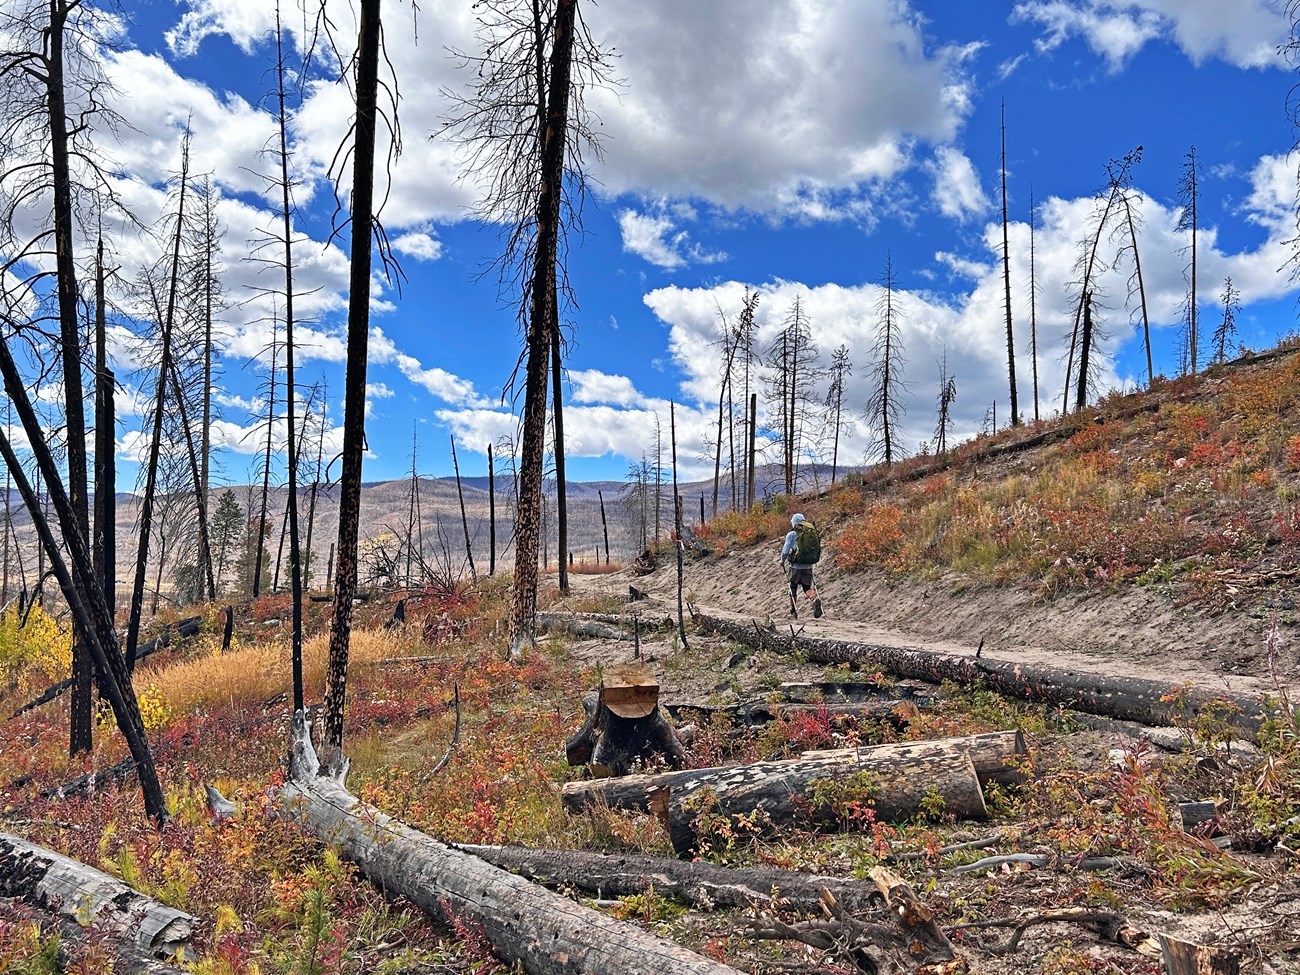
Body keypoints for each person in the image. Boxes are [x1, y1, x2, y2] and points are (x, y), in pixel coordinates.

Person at [778, 513, 823, 618]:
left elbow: (785, 551)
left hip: (795, 566)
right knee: (806, 587)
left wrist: (782, 561)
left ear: (794, 522)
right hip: (808, 565)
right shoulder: (810, 531)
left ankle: (793, 610)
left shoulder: (792, 534)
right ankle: (813, 598)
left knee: (792, 586)